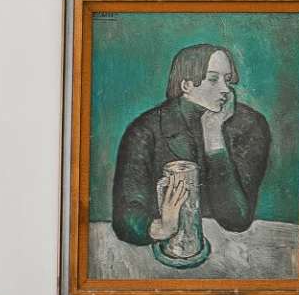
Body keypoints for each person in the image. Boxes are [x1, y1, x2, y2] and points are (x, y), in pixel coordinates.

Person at [108, 42, 273, 256]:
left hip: (233, 249)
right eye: (213, 79)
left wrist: (214, 136)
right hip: (166, 249)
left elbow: (237, 220)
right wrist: (161, 227)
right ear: (186, 85)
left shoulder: (250, 124)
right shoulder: (145, 130)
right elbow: (126, 216)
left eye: (227, 80)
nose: (225, 89)